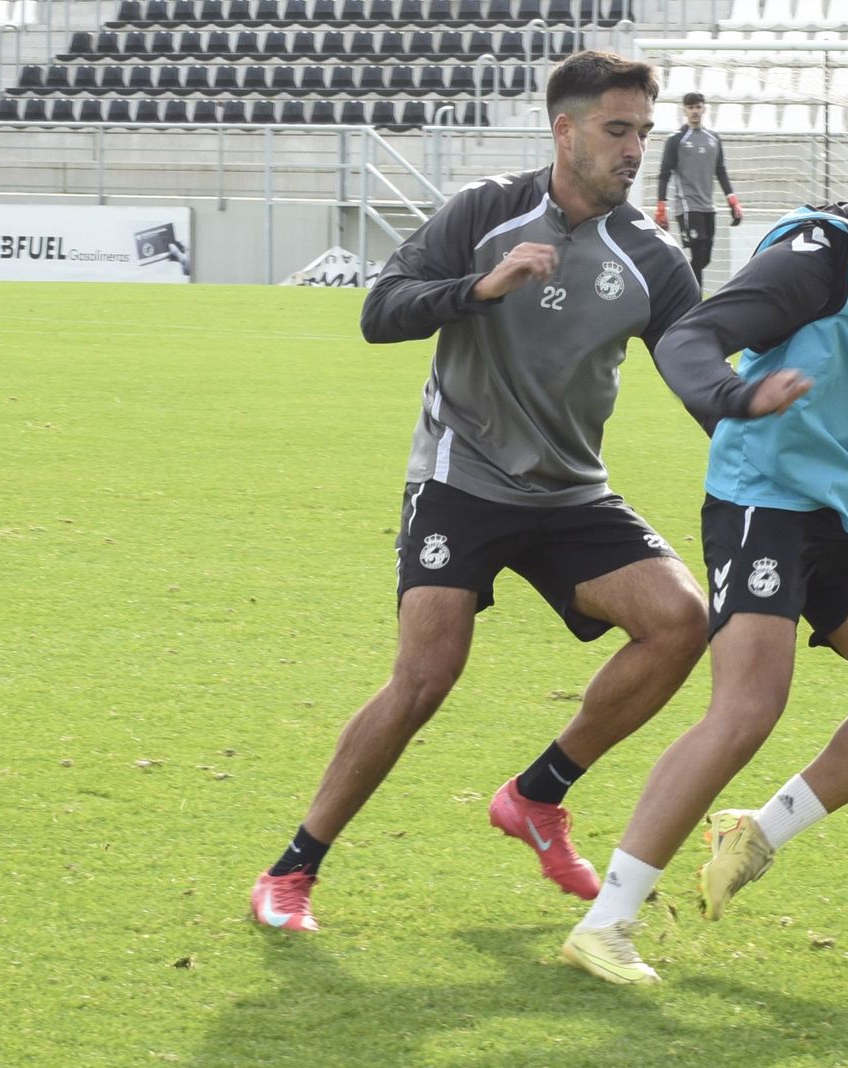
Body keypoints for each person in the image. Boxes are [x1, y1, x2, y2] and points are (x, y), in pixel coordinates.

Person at [247, 50, 806, 934]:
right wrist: (479, 287)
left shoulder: (654, 258)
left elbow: (691, 370)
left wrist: (744, 406)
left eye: (642, 133)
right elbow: (380, 309)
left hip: (570, 492)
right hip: (460, 476)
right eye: (617, 130)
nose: (633, 150)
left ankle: (538, 795)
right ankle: (292, 869)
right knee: (426, 676)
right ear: (565, 130)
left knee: (676, 622)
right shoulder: (485, 212)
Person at [561, 109, 848, 984]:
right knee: (748, 708)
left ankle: (758, 831)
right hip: (764, 499)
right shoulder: (820, 254)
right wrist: (734, 399)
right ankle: (606, 921)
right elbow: (693, 337)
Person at [654, 91, 743, 287]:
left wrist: (732, 199)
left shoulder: (713, 138)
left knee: (705, 258)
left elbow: (720, 171)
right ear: (684, 110)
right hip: (686, 205)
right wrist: (661, 205)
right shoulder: (676, 139)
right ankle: (695, 303)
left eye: (698, 107)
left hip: (708, 206)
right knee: (698, 251)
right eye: (690, 107)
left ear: (704, 108)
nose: (694, 111)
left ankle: (676, 281)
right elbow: (664, 173)